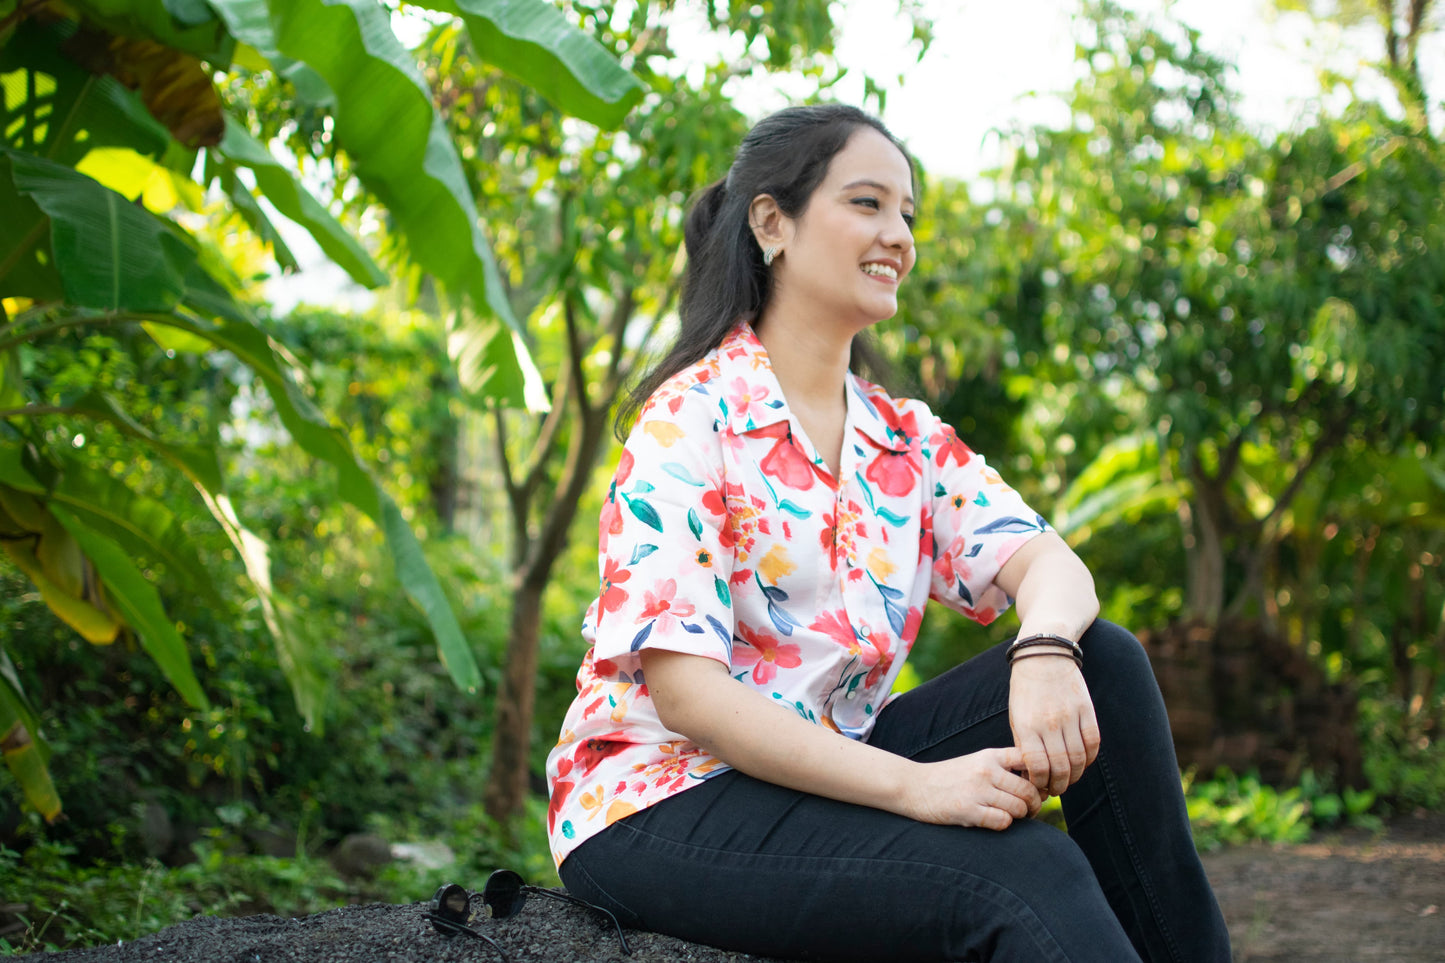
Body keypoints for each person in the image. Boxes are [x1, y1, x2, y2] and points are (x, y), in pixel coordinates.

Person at [544, 104, 1231, 963]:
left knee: (1107, 661)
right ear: (771, 222)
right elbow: (689, 696)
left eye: (906, 212)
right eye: (867, 203)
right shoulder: (690, 417)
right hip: (662, 802)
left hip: (829, 759)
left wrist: (1046, 649)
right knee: (1023, 872)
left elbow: (1051, 564)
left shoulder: (898, 437)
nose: (897, 234)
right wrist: (918, 787)